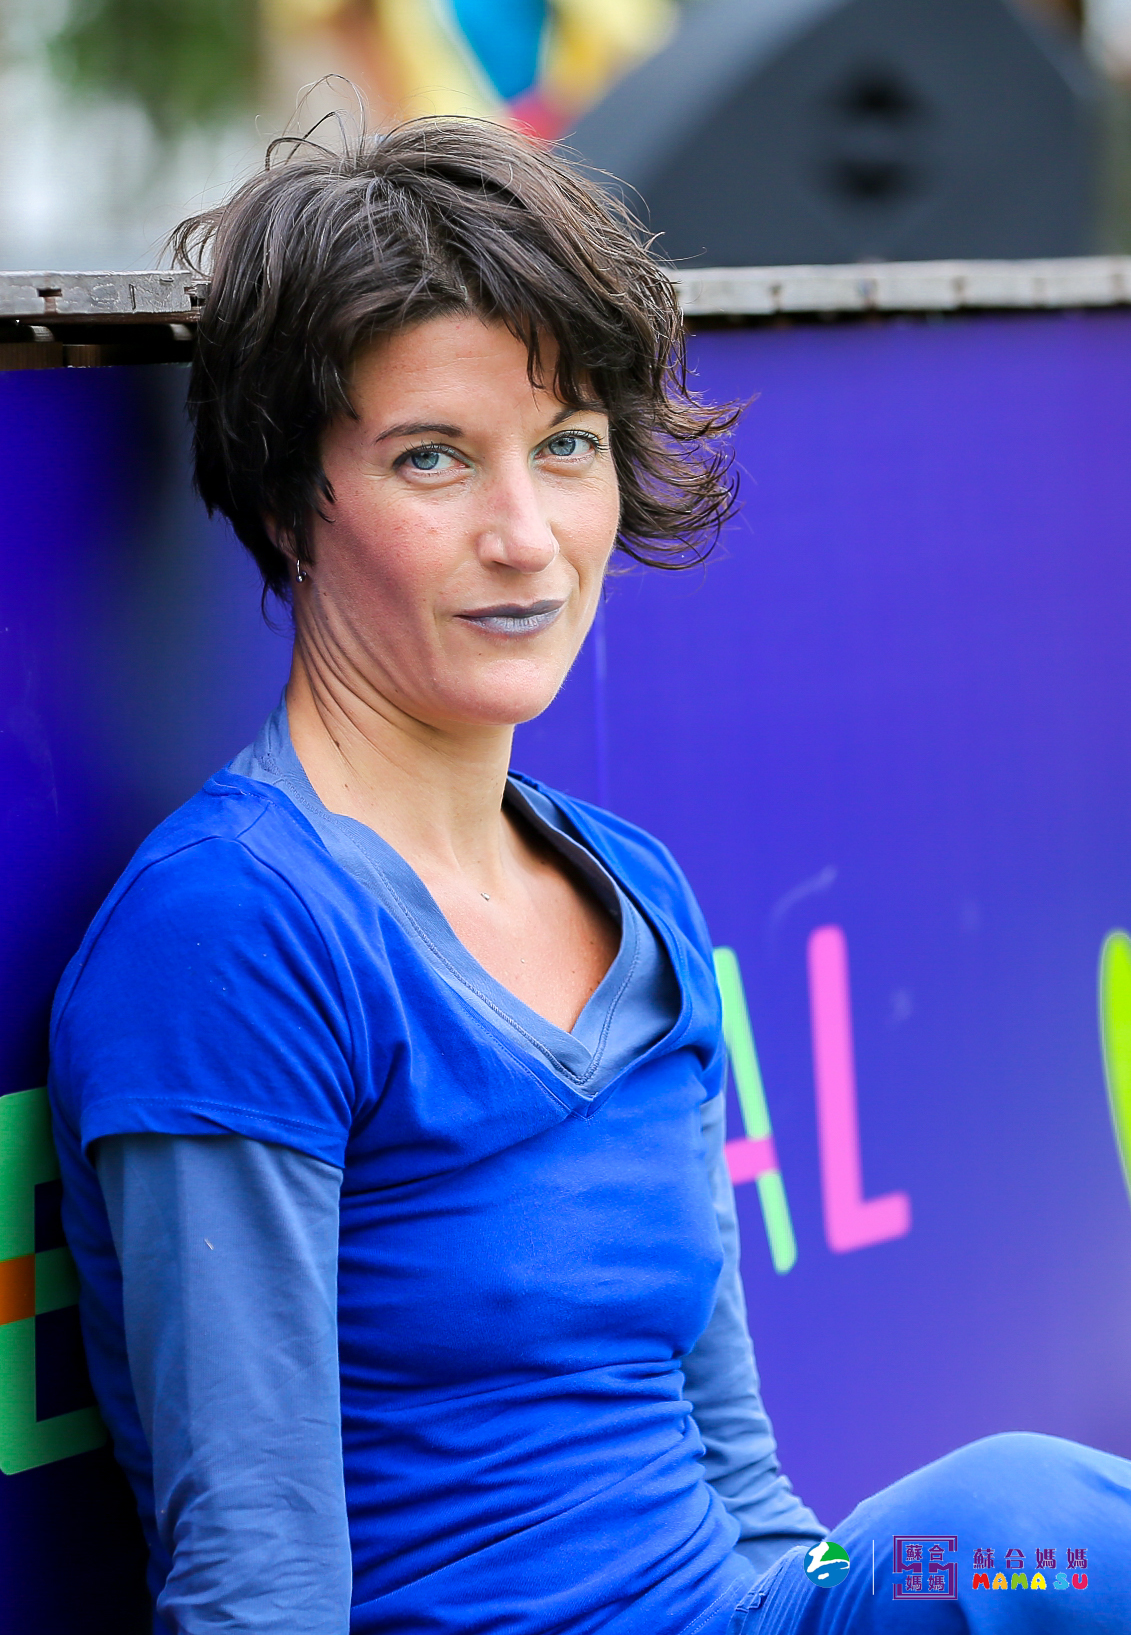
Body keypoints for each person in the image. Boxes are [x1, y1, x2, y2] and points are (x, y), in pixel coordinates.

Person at [49, 118, 1131, 1635]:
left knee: (1036, 1537)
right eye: (433, 458)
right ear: (290, 499)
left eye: (566, 446)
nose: (526, 537)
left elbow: (749, 1491)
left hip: (754, 1608)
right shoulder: (235, 930)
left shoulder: (634, 887)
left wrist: (869, 1595)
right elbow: (256, 1581)